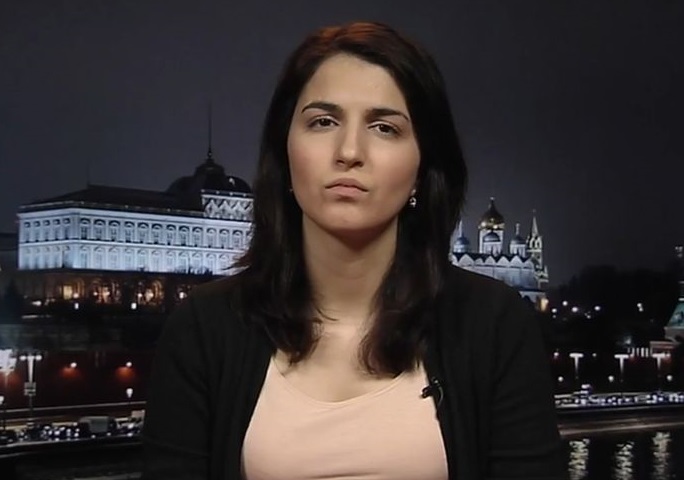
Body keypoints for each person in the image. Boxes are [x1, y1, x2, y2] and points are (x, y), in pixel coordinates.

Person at [141, 21, 566, 480]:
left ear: (423, 167)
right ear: (285, 153)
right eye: (323, 122)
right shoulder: (203, 329)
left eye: (384, 127)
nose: (349, 151)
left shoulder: (494, 325)